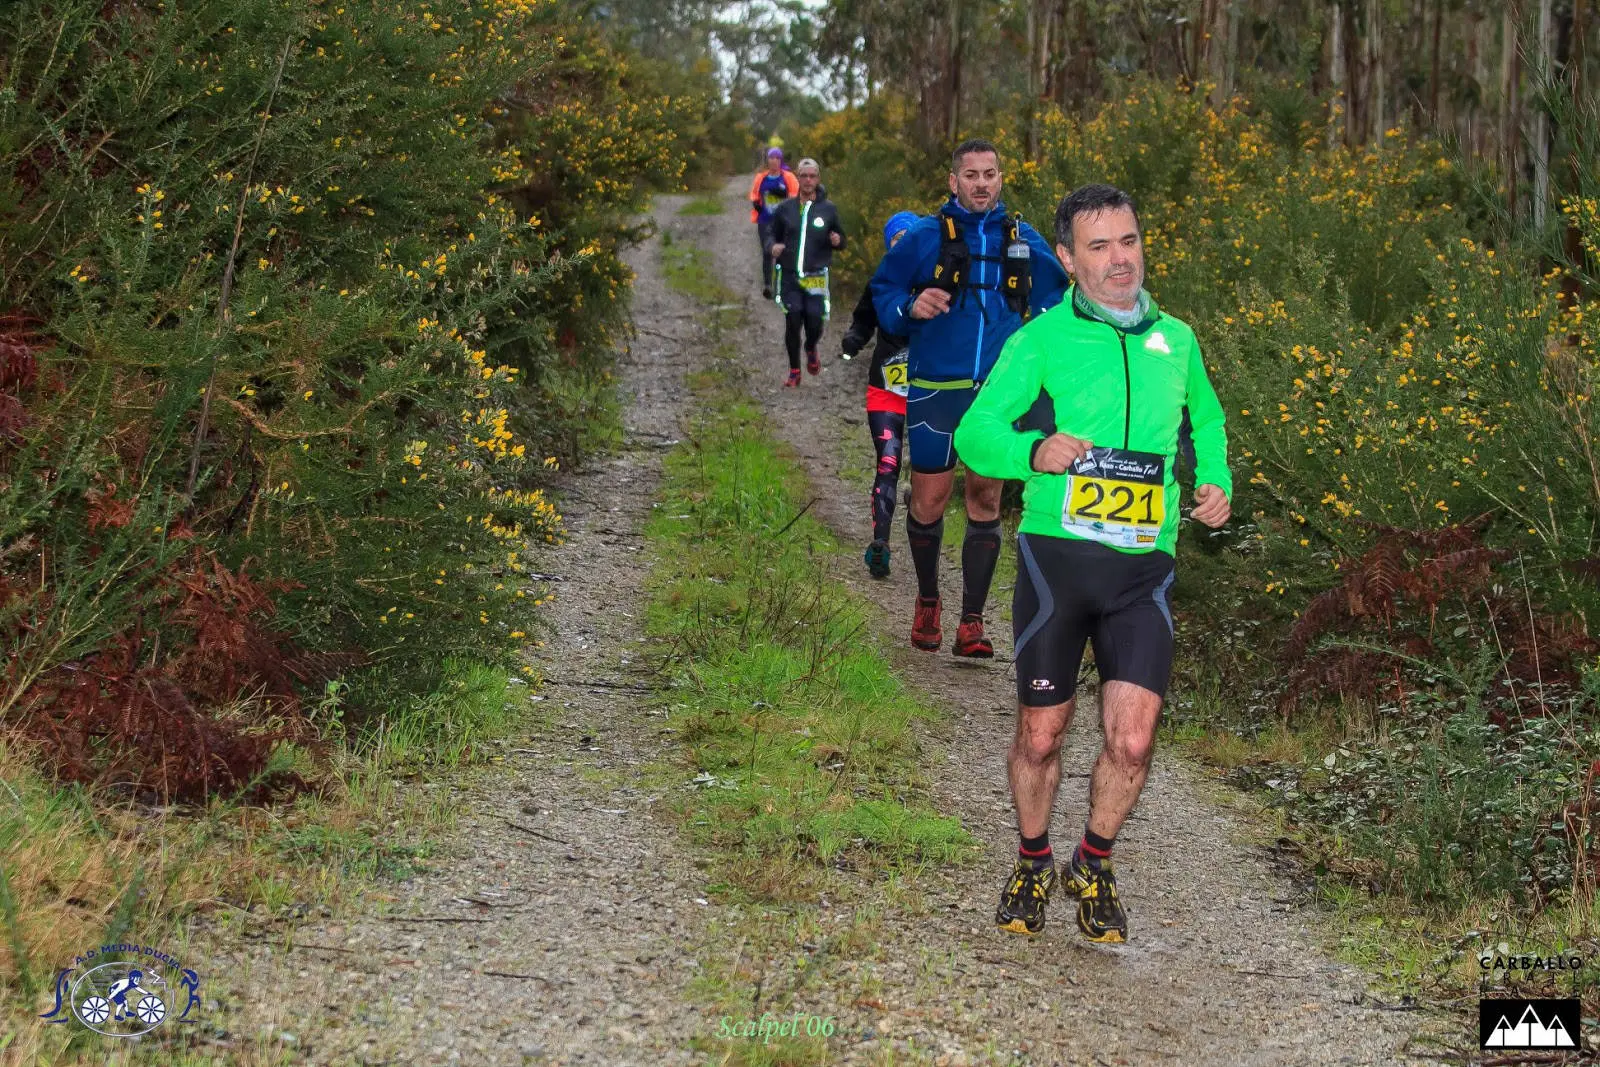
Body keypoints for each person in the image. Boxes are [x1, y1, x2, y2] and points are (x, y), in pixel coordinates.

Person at [953, 183, 1232, 942]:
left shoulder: (1178, 339)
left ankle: (1094, 860)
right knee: (1041, 734)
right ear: (1068, 259)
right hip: (1059, 560)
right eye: (1099, 246)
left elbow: (1206, 419)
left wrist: (1216, 480)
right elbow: (975, 432)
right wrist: (1031, 451)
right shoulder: (1041, 339)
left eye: (1129, 241)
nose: (1119, 260)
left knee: (1133, 739)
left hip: (1144, 565)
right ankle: (1032, 859)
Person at [868, 139, 1070, 656]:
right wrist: (911, 306)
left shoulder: (1023, 240)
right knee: (929, 501)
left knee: (985, 499)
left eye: (990, 174)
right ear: (953, 181)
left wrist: (1053, 345)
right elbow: (883, 291)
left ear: (1001, 179)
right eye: (972, 175)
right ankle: (928, 601)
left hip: (997, 398)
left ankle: (972, 623)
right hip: (937, 389)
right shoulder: (924, 237)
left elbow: (1058, 301)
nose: (982, 184)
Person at [840, 211, 919, 577]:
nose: (902, 244)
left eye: (909, 237)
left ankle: (922, 530)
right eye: (896, 239)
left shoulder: (941, 283)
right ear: (889, 245)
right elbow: (863, 319)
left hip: (929, 393)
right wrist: (854, 338)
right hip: (886, 388)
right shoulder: (881, 281)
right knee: (888, 463)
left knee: (927, 471)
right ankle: (880, 544)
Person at [769, 158, 845, 386]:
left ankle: (811, 347)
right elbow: (771, 234)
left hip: (815, 277)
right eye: (804, 176)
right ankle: (794, 370)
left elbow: (842, 240)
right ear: (798, 178)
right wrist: (772, 246)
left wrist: (837, 240)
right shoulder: (785, 208)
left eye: (812, 176)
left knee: (814, 321)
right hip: (790, 275)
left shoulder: (828, 209)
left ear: (818, 179)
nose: (808, 180)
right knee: (793, 320)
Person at [749, 148, 798, 298]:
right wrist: (755, 203)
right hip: (765, 220)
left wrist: (784, 195)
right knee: (767, 252)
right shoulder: (761, 177)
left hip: (783, 222)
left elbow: (796, 195)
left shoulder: (788, 177)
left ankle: (780, 285)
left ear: (780, 161)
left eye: (777, 158)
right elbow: (754, 193)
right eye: (771, 158)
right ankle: (768, 285)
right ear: (768, 160)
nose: (774, 161)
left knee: (782, 253)